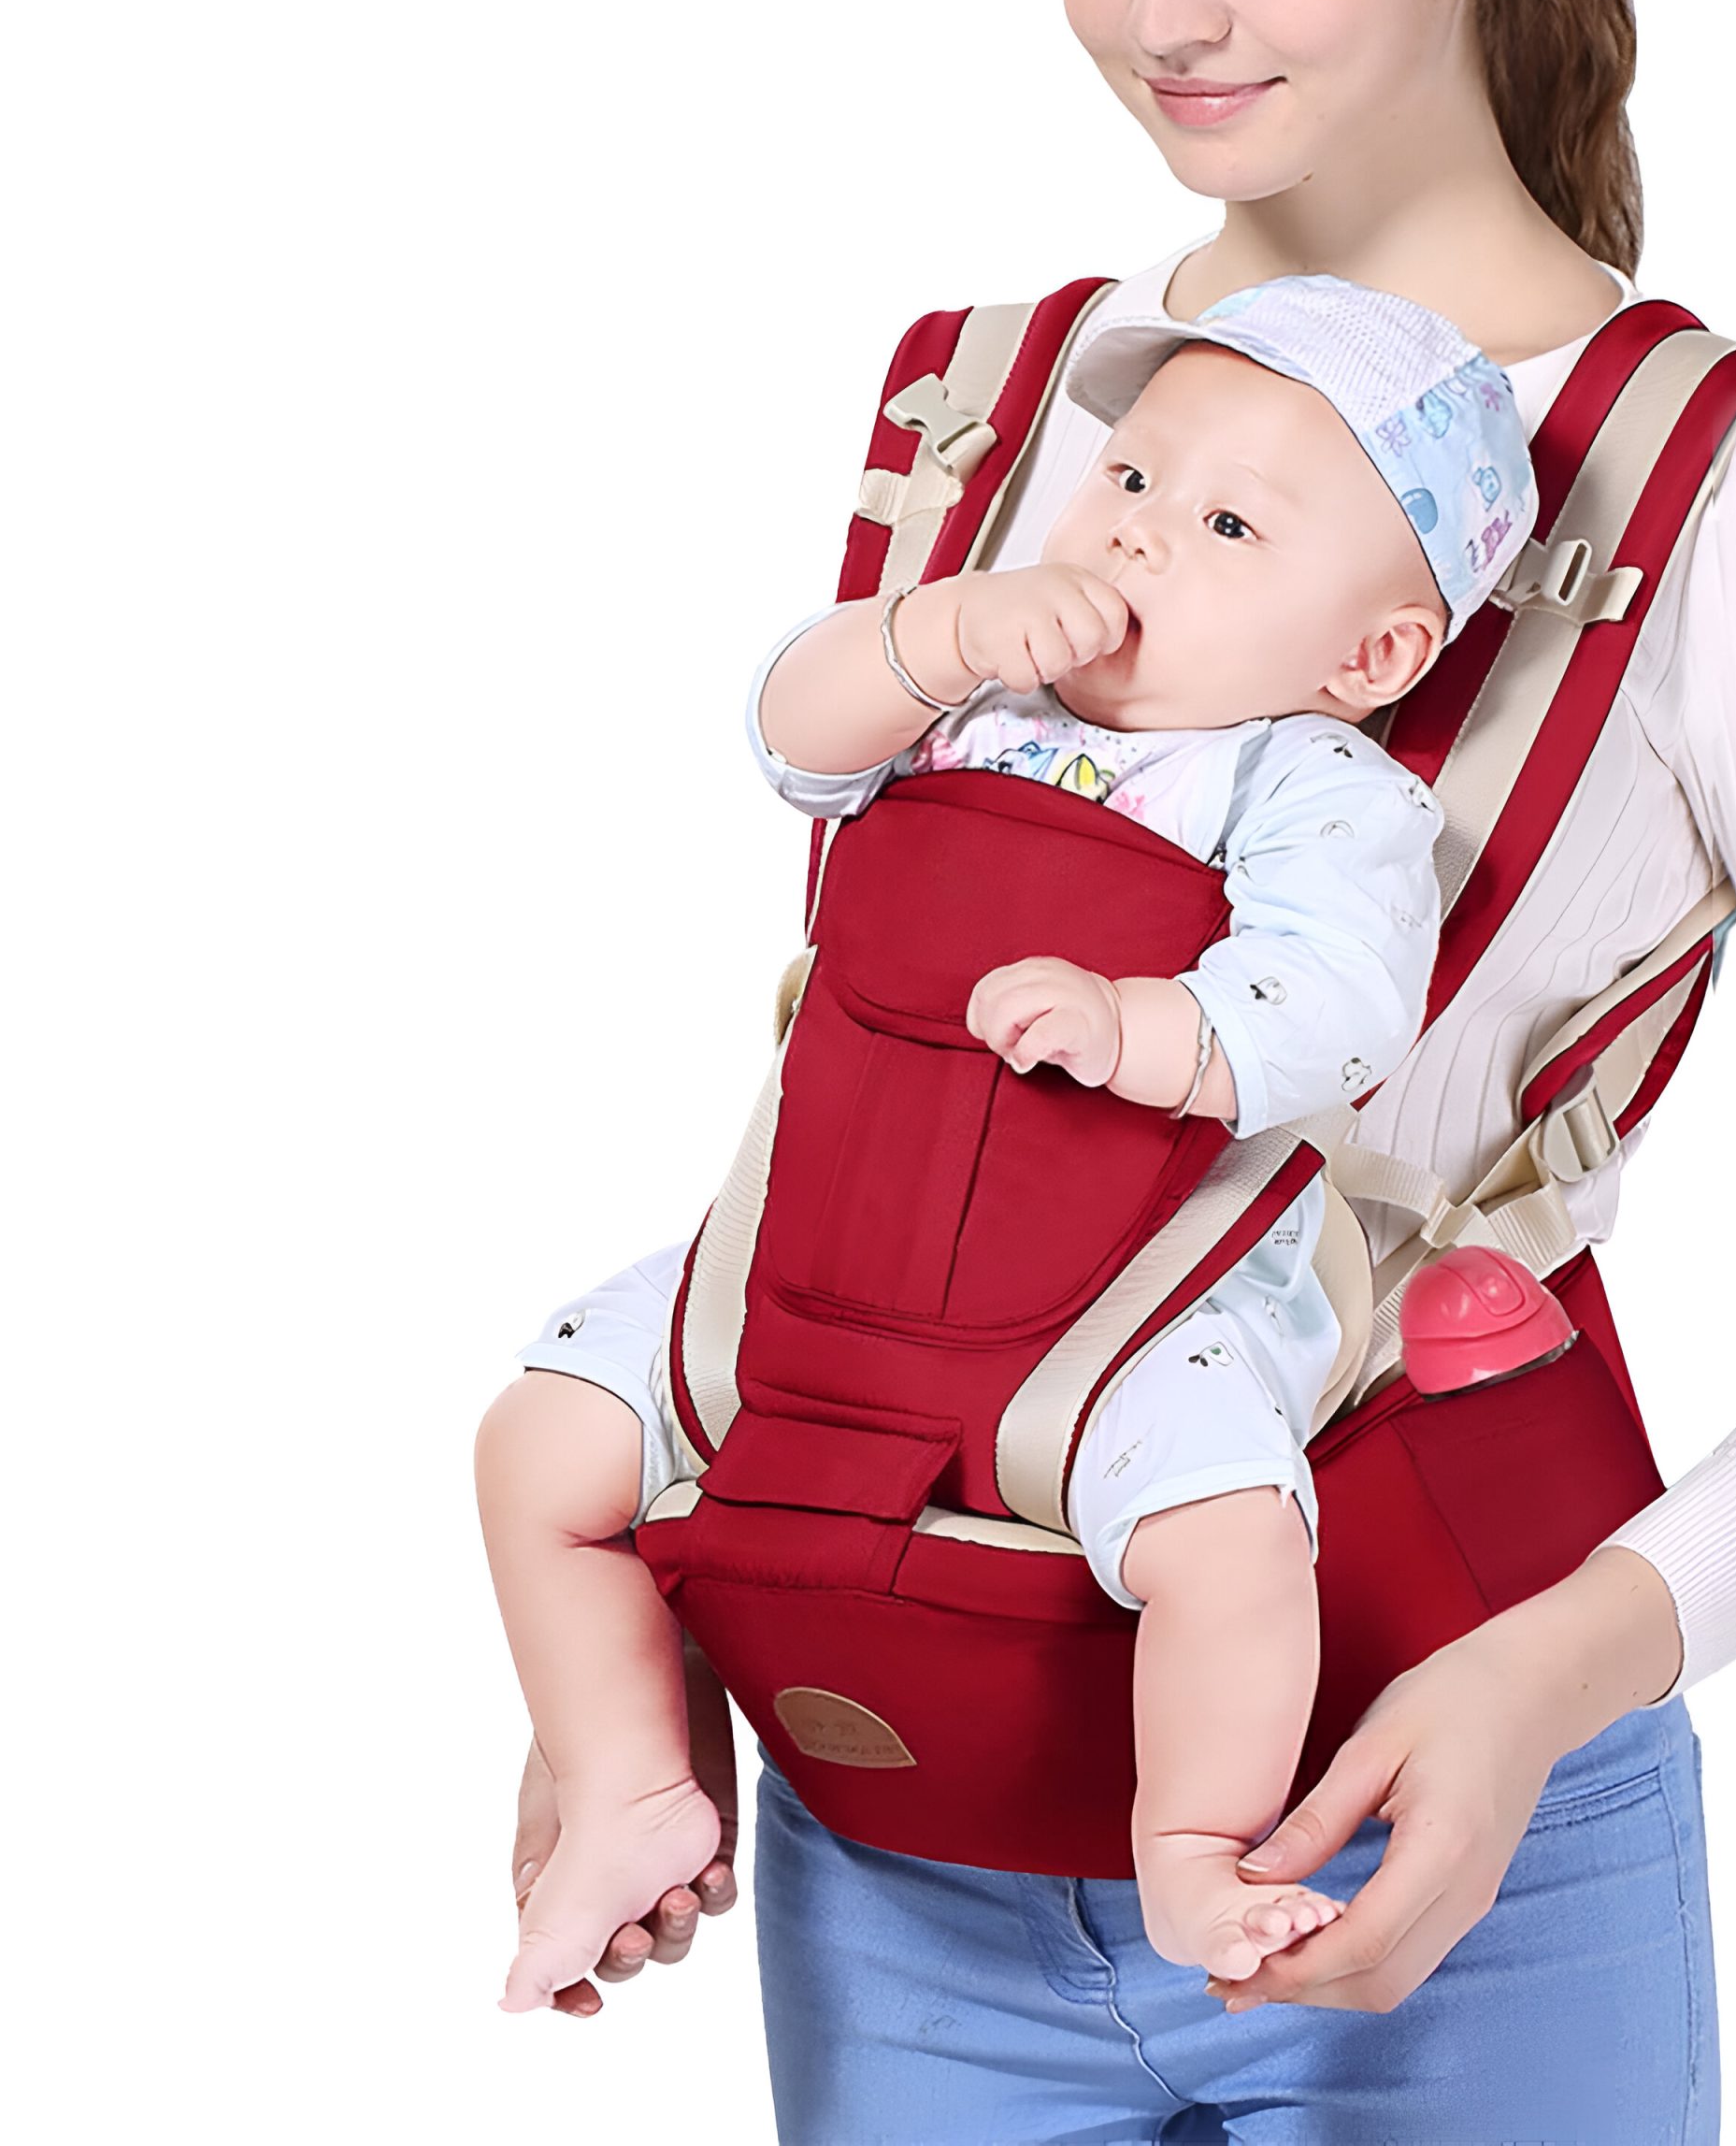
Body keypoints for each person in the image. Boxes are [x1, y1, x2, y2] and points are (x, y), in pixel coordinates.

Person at [492, 0, 1736, 2137]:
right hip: (895, 1813)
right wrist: (644, 1644)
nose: (1163, 14)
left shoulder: (1729, 479)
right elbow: (891, 1086)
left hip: (1430, 1804)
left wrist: (1546, 1679)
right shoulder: (1006, 401)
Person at [479, 270, 1542, 2008]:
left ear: (1367, 659)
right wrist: (940, 636)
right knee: (539, 1444)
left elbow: (1348, 1000)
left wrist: (1148, 1029)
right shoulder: (975, 707)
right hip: (830, 1256)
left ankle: (1192, 1846)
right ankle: (627, 1778)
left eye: (1225, 526)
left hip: (1135, 1296)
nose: (1137, 534)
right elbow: (789, 735)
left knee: (1223, 1537)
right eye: (1128, 477)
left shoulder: (1304, 785)